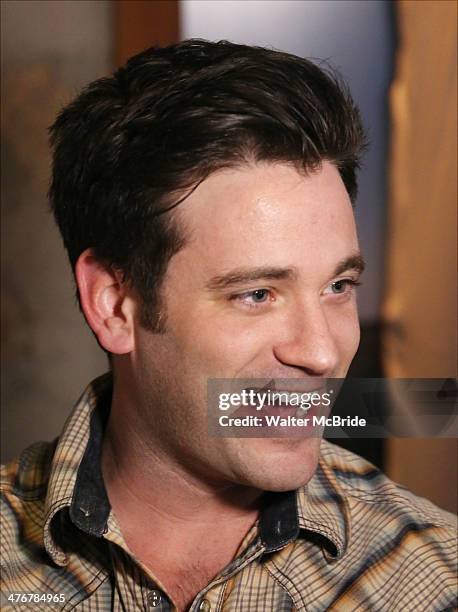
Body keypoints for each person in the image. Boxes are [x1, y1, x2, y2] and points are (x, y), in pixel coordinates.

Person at [1, 40, 456, 612]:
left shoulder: (436, 580)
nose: (320, 353)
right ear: (116, 306)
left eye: (338, 287)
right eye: (258, 294)